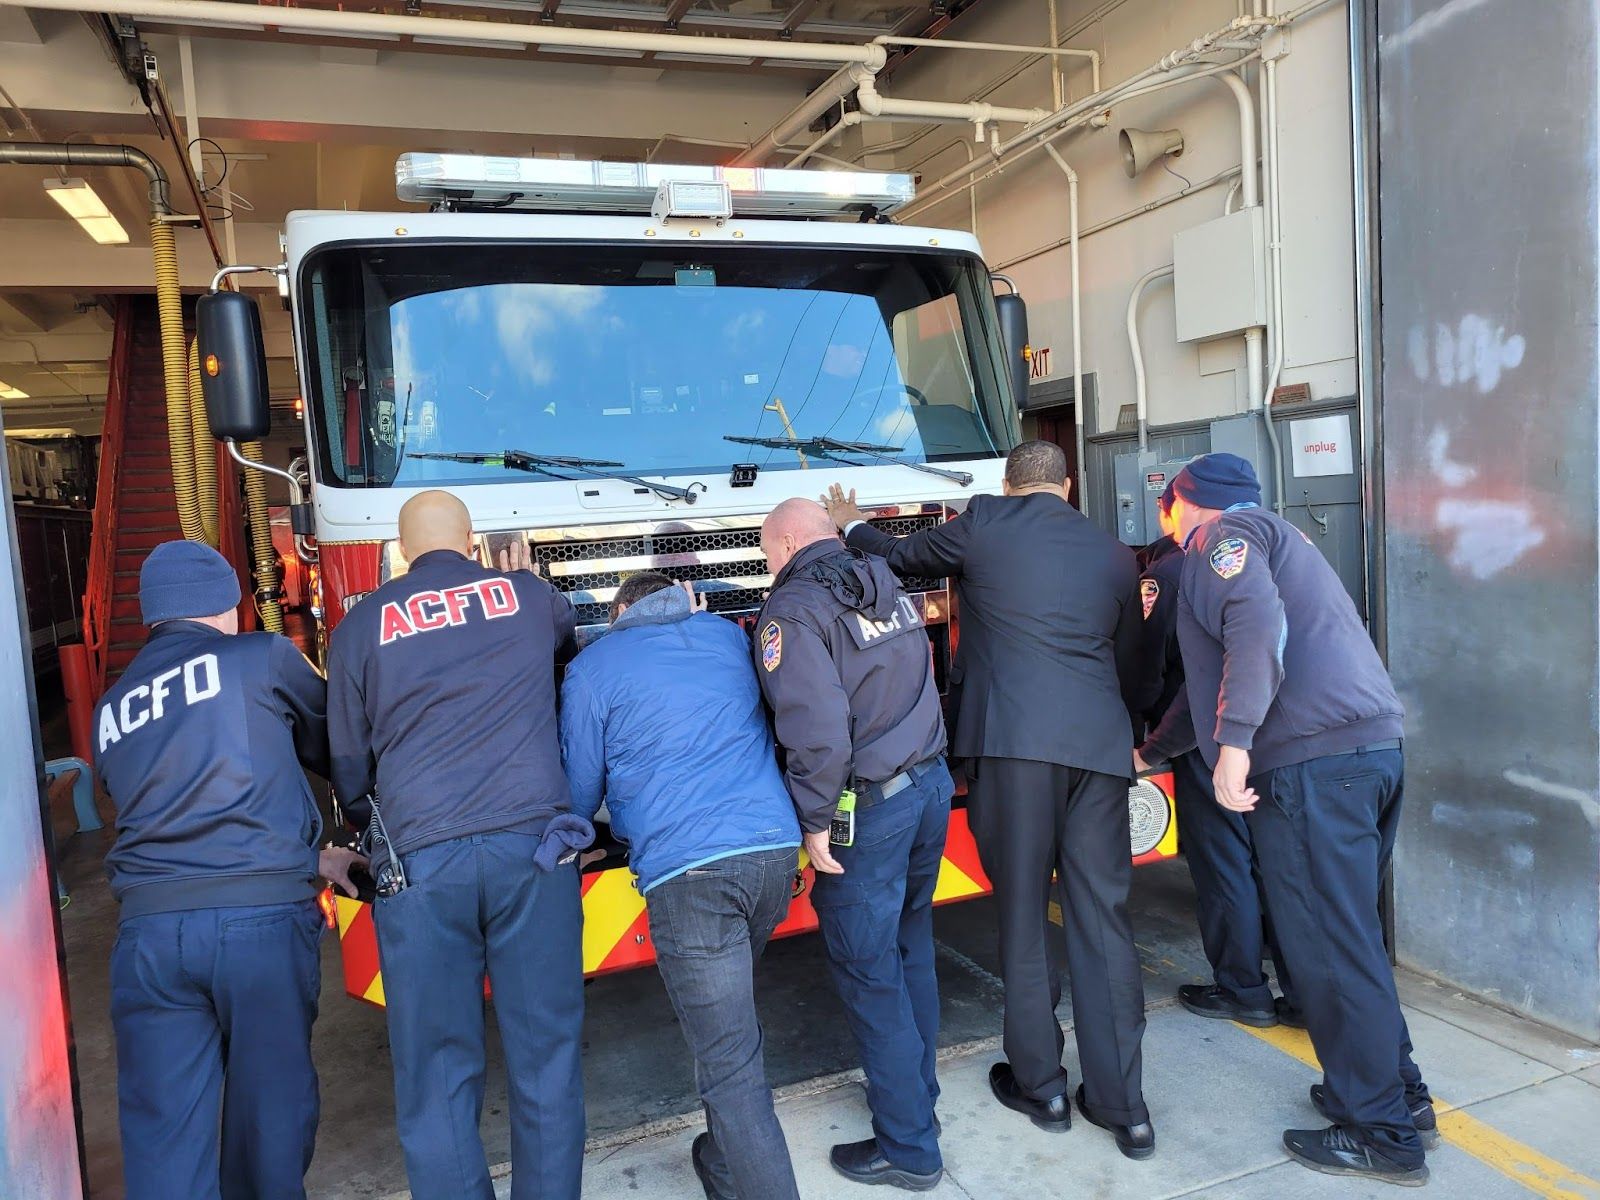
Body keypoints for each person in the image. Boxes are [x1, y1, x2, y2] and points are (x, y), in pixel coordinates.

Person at [825, 439, 1155, 1160]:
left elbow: (902, 556)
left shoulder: (985, 521)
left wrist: (851, 524)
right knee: (1105, 920)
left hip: (1013, 748)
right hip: (1097, 752)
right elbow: (1135, 664)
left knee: (1023, 916)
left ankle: (1043, 1087)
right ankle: (1124, 1107)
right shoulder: (1111, 552)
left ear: (1008, 484)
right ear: (1066, 486)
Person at [1165, 452, 1437, 1185]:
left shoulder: (1220, 543)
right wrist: (1153, 750)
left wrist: (1233, 748)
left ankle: (1380, 1133)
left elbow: (1256, 633)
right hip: (1371, 750)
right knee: (1352, 938)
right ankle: (1399, 1097)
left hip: (1315, 768)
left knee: (1322, 946)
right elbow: (1214, 678)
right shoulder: (1285, 538)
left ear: (1181, 504)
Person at [326, 490, 593, 1200]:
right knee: (547, 1059)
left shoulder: (360, 627)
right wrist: (522, 579)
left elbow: (349, 762)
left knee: (437, 1073)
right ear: (473, 544)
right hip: (533, 854)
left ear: (403, 548)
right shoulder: (525, 595)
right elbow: (568, 649)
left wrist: (372, 827)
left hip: (418, 861)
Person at [94, 539, 365, 1200]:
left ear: (151, 615)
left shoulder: (112, 708)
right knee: (269, 1118)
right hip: (257, 931)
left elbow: (174, 815)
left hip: (149, 938)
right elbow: (334, 742)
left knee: (164, 1136)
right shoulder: (257, 656)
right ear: (232, 602)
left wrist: (315, 859)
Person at [559, 572, 803, 1200]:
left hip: (691, 873)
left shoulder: (593, 667)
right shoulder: (726, 636)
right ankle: (723, 1158)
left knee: (730, 1064)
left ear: (618, 610)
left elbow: (580, 795)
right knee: (730, 1029)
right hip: (774, 852)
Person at [755, 498, 953, 1191]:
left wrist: (812, 822)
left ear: (784, 544)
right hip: (929, 785)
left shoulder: (795, 610)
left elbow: (817, 731)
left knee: (871, 973)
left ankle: (910, 1147)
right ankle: (918, 1098)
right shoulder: (880, 576)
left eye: (766, 553)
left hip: (868, 808)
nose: (768, 565)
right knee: (910, 948)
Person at [1133, 485, 1301, 1028]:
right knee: (1275, 859)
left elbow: (1155, 662)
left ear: (1172, 509)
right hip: (1269, 732)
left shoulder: (1175, 567)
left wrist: (1149, 736)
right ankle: (1299, 990)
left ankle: (1242, 988)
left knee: (1222, 861)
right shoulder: (1279, 550)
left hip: (1208, 737)